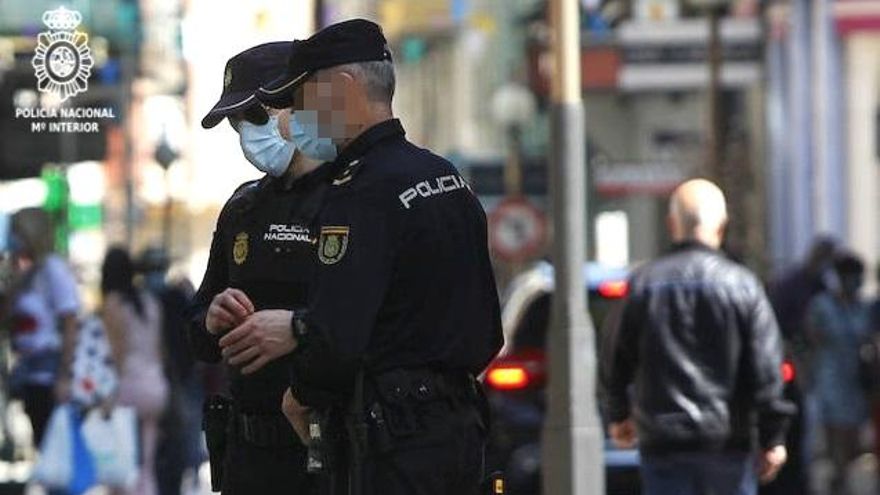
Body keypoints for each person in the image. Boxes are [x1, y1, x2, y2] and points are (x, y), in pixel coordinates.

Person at [222, 18, 504, 494]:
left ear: (344, 88)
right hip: (460, 430)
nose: (295, 116)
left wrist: (301, 394)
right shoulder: (444, 177)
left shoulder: (360, 190)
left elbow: (338, 335)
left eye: (303, 96)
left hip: (391, 442)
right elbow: (487, 331)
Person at [186, 41, 332, 494]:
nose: (246, 134)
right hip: (251, 452)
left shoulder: (352, 199)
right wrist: (212, 318)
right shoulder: (243, 208)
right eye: (236, 123)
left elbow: (372, 321)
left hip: (326, 447)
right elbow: (197, 330)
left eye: (254, 116)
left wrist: (297, 328)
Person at [603, 179, 793, 495]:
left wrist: (619, 414)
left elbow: (615, 357)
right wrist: (772, 436)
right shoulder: (742, 285)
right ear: (722, 226)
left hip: (663, 444)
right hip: (728, 445)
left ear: (671, 224)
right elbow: (766, 367)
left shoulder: (644, 285)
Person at [5, 208, 80, 446]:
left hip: (50, 374)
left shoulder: (52, 269)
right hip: (31, 373)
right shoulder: (30, 273)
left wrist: (64, 376)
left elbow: (70, 322)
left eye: (18, 233)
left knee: (53, 445)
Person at [101, 247, 169, 495]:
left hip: (128, 386)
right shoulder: (149, 302)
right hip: (156, 385)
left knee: (120, 463)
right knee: (147, 465)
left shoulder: (113, 303)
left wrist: (108, 395)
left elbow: (117, 352)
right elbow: (159, 349)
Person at [136, 247, 201, 495]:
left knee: (172, 441)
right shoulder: (151, 298)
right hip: (166, 379)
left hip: (170, 378)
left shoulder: (148, 298)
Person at [806, 252, 870, 495]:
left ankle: (841, 473)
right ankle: (839, 475)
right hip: (829, 376)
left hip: (855, 379)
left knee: (853, 435)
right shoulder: (822, 305)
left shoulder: (865, 308)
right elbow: (811, 338)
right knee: (835, 431)